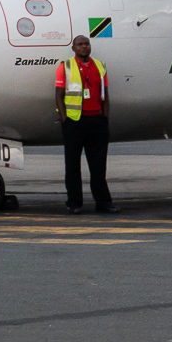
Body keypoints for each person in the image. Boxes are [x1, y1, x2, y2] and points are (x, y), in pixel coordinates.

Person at [54, 35, 118, 214]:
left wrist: (104, 118)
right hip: (74, 122)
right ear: (73, 48)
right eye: (80, 45)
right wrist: (65, 119)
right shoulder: (65, 67)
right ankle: (74, 203)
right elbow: (58, 95)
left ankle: (103, 203)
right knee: (73, 166)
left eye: (86, 44)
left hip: (96, 121)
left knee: (98, 166)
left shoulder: (100, 66)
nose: (84, 47)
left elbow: (105, 95)